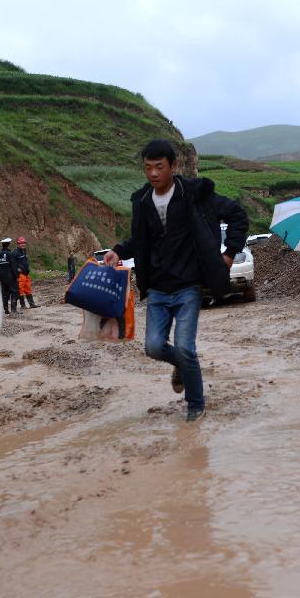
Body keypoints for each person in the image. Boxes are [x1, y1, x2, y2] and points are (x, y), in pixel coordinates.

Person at [103, 139, 248, 422]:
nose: (154, 174)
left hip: (188, 287)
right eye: (148, 168)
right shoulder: (143, 201)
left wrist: (229, 254)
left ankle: (195, 405)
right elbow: (139, 240)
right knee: (154, 347)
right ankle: (182, 366)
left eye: (159, 167)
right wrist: (118, 251)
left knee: (184, 346)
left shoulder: (194, 195)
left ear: (174, 166)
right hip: (157, 287)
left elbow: (237, 215)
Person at [13, 237, 39, 308]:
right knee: (21, 290)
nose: (23, 244)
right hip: (20, 275)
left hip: (26, 273)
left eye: (24, 243)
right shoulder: (15, 252)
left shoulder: (24, 251)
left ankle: (31, 304)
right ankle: (23, 305)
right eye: (21, 243)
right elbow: (13, 263)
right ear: (18, 244)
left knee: (28, 289)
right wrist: (17, 270)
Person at [0, 238, 20, 314]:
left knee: (5, 294)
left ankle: (6, 309)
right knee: (14, 292)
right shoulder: (10, 254)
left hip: (2, 278)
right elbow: (14, 266)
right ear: (8, 244)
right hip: (11, 277)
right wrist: (17, 276)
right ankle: (13, 309)